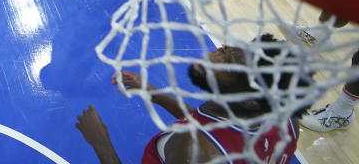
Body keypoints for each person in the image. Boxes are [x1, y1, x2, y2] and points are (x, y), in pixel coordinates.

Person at [75, 35, 304, 163]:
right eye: (224, 50)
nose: (210, 56)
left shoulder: (193, 150)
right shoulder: (288, 121)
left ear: (250, 100)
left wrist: (101, 142)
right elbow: (215, 127)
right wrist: (151, 90)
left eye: (226, 62)